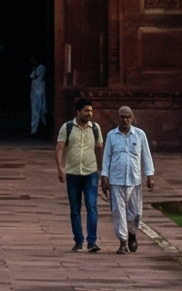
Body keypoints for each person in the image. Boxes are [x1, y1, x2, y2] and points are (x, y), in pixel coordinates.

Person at [99, 105, 155, 254]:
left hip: (134, 179)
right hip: (116, 180)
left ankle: (132, 234)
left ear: (132, 118)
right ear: (118, 118)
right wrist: (104, 175)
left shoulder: (139, 135)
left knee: (135, 212)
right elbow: (107, 157)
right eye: (122, 117)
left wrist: (150, 175)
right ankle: (122, 241)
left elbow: (146, 156)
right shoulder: (112, 135)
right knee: (118, 211)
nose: (125, 120)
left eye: (128, 117)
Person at [54, 96, 105, 252]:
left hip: (90, 173)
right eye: (86, 111)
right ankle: (78, 240)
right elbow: (60, 148)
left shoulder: (95, 128)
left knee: (92, 207)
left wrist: (103, 171)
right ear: (78, 111)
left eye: (91, 110)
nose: (89, 113)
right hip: (73, 173)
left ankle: (92, 241)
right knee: (75, 209)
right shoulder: (67, 127)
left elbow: (99, 149)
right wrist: (60, 168)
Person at [29, 60, 48, 137]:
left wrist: (33, 70)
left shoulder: (41, 67)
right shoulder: (36, 68)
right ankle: (34, 130)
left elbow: (34, 76)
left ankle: (38, 129)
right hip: (35, 91)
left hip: (39, 91)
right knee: (36, 111)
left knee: (40, 110)